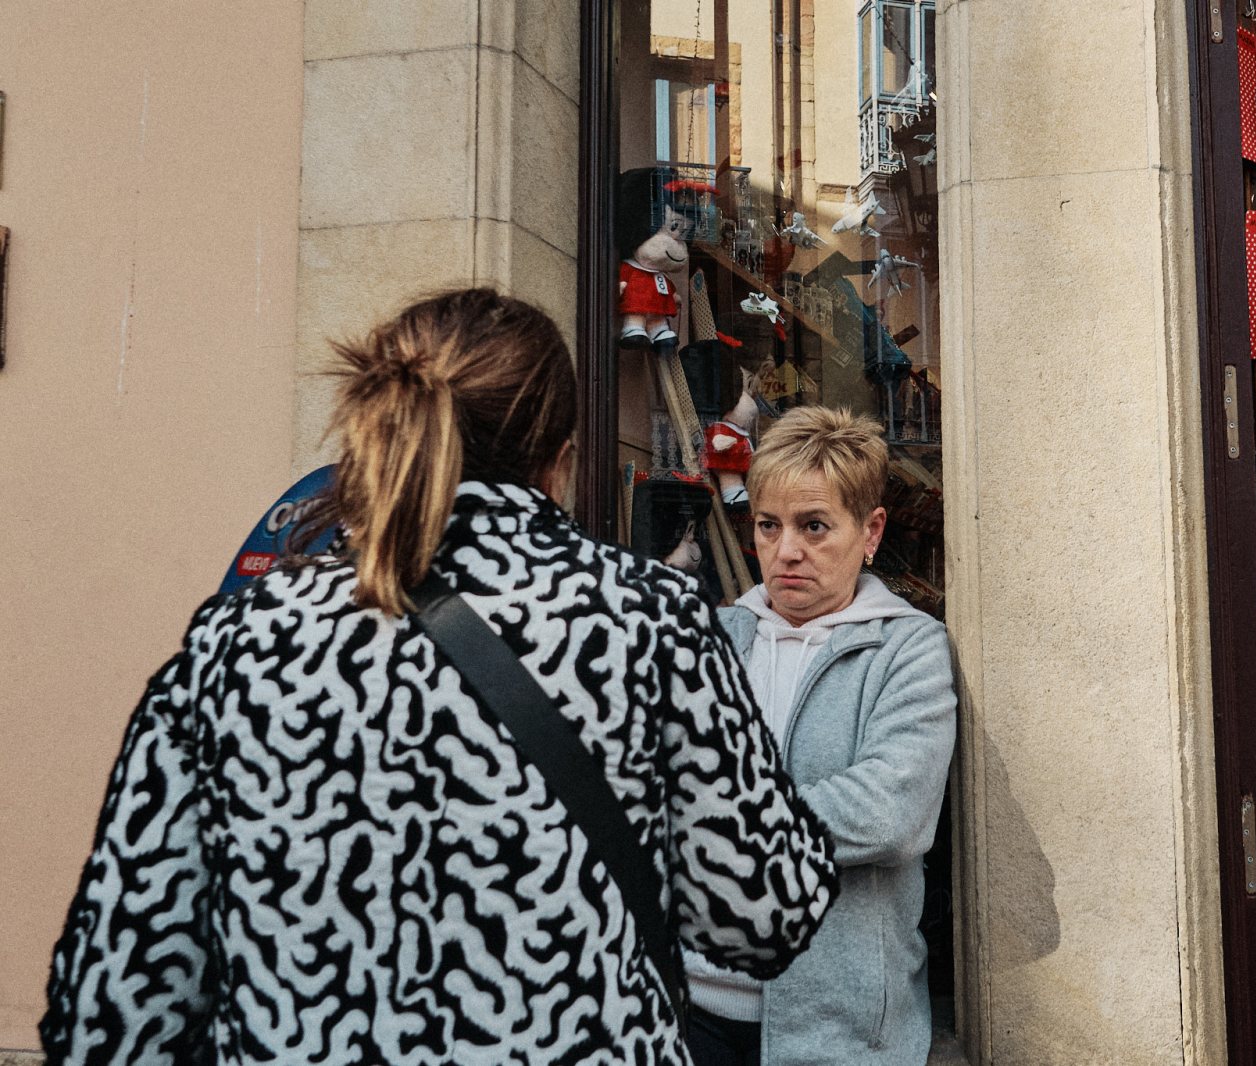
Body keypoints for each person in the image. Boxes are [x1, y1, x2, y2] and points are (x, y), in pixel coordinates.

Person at [40, 289, 837, 1065]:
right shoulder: (648, 618)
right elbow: (768, 913)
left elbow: (115, 1000)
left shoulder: (240, 639)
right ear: (558, 463)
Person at [682, 407, 958, 1066]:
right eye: (768, 526)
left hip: (838, 1029)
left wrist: (713, 824)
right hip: (692, 1011)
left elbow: (889, 814)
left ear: (871, 531)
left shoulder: (907, 648)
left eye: (814, 526)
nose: (786, 552)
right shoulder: (714, 640)